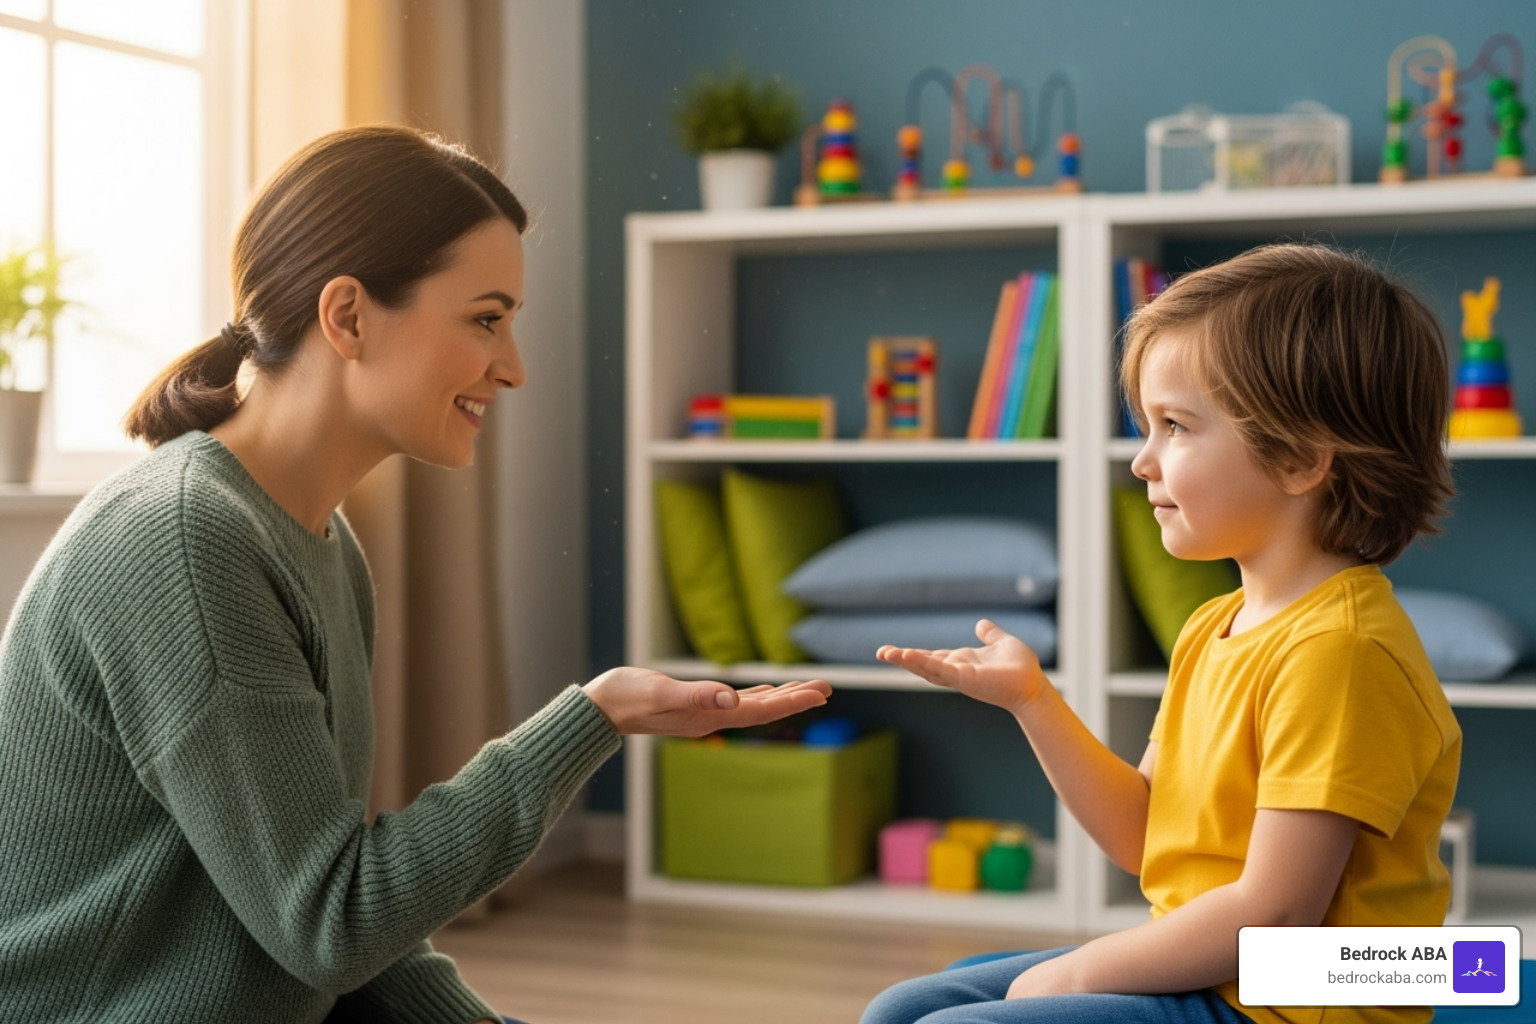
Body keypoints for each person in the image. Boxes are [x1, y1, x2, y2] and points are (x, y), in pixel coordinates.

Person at [0, 124, 831, 1024]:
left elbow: (340, 924)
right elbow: (336, 922)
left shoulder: (316, 542)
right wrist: (590, 719)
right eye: (486, 319)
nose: (511, 369)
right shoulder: (185, 543)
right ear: (348, 316)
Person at [862, 243, 1462, 1024]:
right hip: (1216, 970)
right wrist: (1034, 701)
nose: (1143, 461)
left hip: (1290, 1005)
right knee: (898, 1010)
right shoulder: (1216, 626)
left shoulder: (1339, 655)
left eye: (1175, 426)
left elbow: (1275, 916)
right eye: (1147, 426)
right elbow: (1147, 838)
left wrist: (1079, 975)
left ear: (1301, 458)